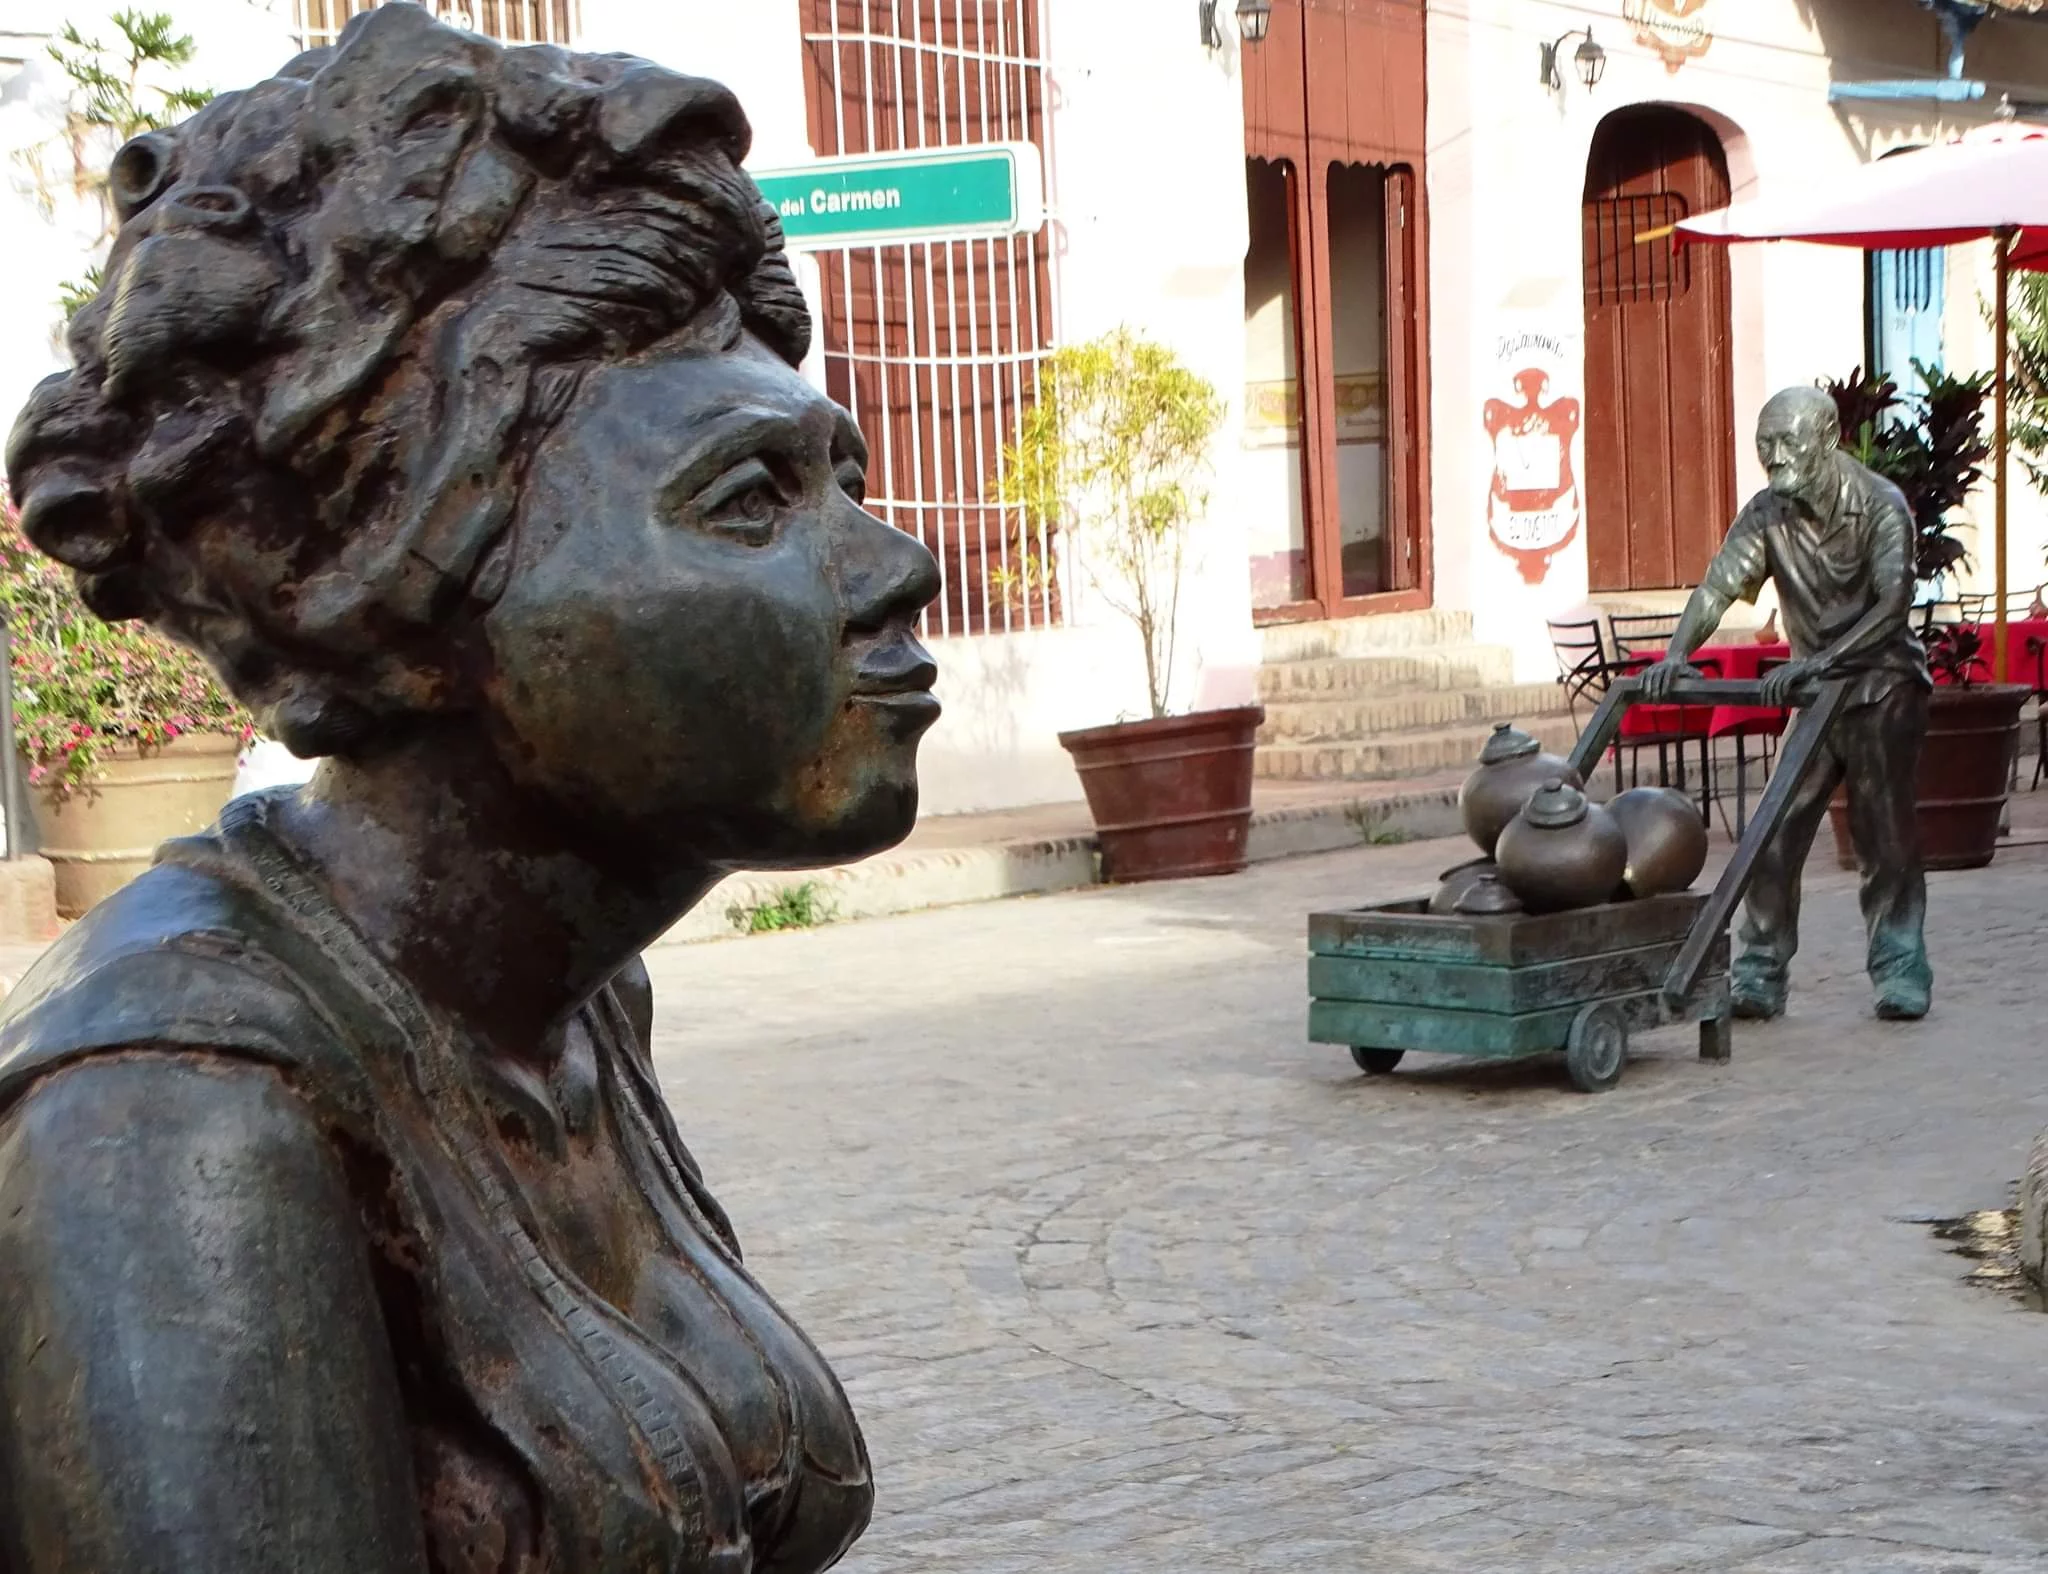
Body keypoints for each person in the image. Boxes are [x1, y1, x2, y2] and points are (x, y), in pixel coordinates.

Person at [0, 8, 940, 1570]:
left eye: (836, 476)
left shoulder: (561, 997)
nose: (894, 561)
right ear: (412, 592)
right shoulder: (181, 1103)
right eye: (747, 496)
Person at [1639, 384, 1931, 1023]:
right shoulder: (1767, 512)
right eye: (1764, 445)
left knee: (1883, 834)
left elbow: (1892, 607)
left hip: (1881, 687)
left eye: (1787, 443)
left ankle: (1901, 967)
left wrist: (1825, 659)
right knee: (1774, 830)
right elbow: (1719, 586)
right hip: (1812, 694)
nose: (1774, 457)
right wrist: (1676, 654)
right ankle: (1759, 971)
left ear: (1828, 441)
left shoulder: (1882, 507)